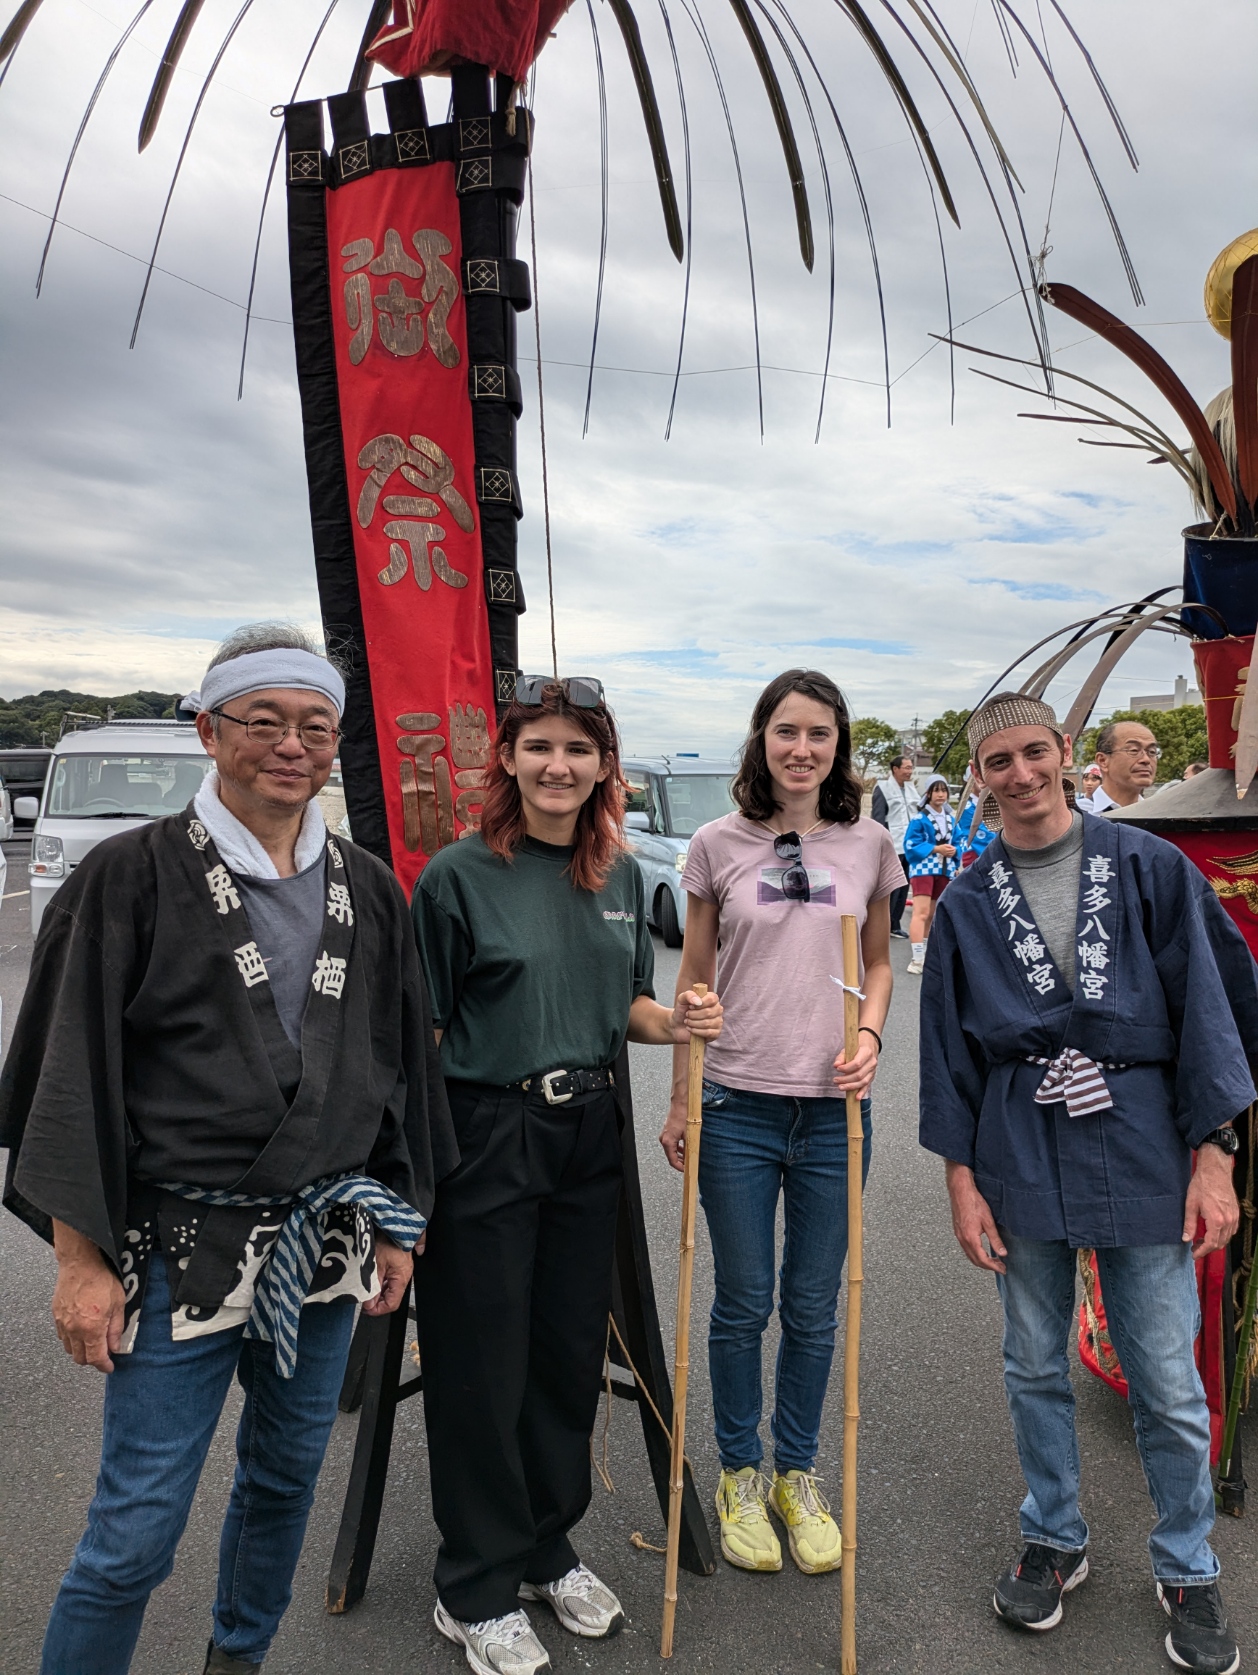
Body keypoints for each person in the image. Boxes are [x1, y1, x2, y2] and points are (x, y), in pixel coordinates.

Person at [0, 623, 455, 1675]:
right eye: (263, 721)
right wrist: (79, 1259)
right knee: (134, 1528)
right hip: (174, 1245)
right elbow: (65, 1072)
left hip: (327, 1244)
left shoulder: (367, 886)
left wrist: (400, 1215)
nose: (291, 745)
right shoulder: (129, 876)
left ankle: (236, 1657)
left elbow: (398, 1071)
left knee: (287, 1476)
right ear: (209, 730)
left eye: (315, 725)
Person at [919, 691, 1258, 1675]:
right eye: (997, 762)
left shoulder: (1149, 867)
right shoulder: (969, 903)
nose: (1020, 775)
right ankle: (1053, 1535)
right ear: (978, 777)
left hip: (1142, 1130)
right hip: (1018, 1135)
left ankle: (1187, 1564)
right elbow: (946, 1054)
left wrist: (1215, 1154)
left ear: (1067, 754)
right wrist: (959, 1181)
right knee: (1031, 1360)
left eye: (1034, 753)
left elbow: (1216, 1006)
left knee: (1163, 1371)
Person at [411, 675, 722, 1675]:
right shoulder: (457, 876)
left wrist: (675, 1023)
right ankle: (474, 1585)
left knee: (562, 1352)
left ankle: (546, 1545)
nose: (558, 766)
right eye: (539, 746)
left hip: (590, 1129)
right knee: (480, 1359)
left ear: (603, 767)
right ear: (505, 757)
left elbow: (625, 1001)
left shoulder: (621, 876)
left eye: (578, 750)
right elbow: (423, 1029)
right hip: (486, 1131)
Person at [663, 669, 898, 1578]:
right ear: (761, 737)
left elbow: (879, 963)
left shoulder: (869, 842)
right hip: (737, 1105)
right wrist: (682, 1098)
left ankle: (799, 1472)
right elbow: (694, 980)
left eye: (822, 735)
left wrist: (872, 1035)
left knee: (811, 1304)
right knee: (742, 1301)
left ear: (839, 746)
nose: (804, 749)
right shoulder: (717, 844)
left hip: (836, 1105)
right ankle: (739, 1472)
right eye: (787, 730)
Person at [904, 773, 957, 974]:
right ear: (928, 794)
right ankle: (917, 958)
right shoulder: (919, 819)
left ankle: (924, 954)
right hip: (923, 869)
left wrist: (955, 851)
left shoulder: (951, 819)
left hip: (944, 869)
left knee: (933, 914)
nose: (941, 795)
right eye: (936, 791)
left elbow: (960, 840)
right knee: (922, 912)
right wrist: (936, 849)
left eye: (944, 790)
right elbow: (910, 844)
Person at [871, 753, 916, 937]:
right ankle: (885, 923)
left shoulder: (912, 789)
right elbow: (878, 818)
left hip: (911, 843)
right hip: (893, 843)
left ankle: (895, 924)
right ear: (895, 769)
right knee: (892, 885)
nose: (909, 771)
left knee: (905, 884)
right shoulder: (883, 788)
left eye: (911, 767)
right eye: (906, 767)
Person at [1080, 719, 1160, 811]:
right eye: (1134, 750)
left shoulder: (1160, 817)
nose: (1146, 760)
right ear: (1103, 761)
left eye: (1152, 752)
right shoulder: (1075, 816)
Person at [955, 791, 995, 869]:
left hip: (988, 850)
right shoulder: (967, 805)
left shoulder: (989, 800)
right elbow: (980, 829)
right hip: (974, 850)